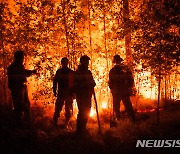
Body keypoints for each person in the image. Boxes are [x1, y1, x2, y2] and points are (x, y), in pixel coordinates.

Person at [7, 50, 37, 126]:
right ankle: (19, 123)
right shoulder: (13, 67)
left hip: (22, 87)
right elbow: (22, 74)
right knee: (19, 106)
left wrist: (32, 71)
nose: (23, 59)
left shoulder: (19, 66)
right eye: (22, 57)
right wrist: (30, 72)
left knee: (26, 104)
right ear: (18, 57)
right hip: (17, 88)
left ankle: (26, 122)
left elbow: (24, 72)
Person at [109, 55, 136, 122]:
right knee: (117, 107)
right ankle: (120, 120)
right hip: (118, 91)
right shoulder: (113, 71)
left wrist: (129, 87)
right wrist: (112, 88)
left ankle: (132, 120)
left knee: (127, 106)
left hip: (122, 91)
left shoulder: (125, 70)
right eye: (117, 61)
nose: (117, 62)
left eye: (118, 61)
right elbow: (111, 82)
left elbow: (130, 80)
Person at [74, 55, 96, 134]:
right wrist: (86, 84)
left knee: (87, 111)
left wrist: (92, 83)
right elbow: (76, 85)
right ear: (82, 62)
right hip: (81, 96)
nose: (87, 63)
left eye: (88, 62)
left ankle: (83, 128)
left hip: (88, 95)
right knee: (82, 112)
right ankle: (79, 130)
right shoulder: (77, 73)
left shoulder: (88, 72)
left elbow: (93, 82)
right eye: (86, 61)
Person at [53, 57, 74, 126]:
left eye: (65, 62)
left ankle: (66, 123)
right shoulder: (59, 72)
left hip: (68, 93)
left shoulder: (70, 72)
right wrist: (54, 90)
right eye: (63, 62)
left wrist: (73, 93)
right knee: (58, 108)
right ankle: (55, 122)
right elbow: (55, 81)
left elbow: (73, 83)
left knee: (67, 109)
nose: (64, 63)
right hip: (62, 93)